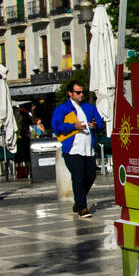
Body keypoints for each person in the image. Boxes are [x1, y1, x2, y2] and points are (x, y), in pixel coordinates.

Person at [51, 82, 105, 217]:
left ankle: (79, 200)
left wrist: (95, 126)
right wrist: (73, 126)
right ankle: (82, 208)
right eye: (78, 92)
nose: (81, 95)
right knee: (78, 177)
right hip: (72, 150)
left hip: (89, 149)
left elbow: (100, 124)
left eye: (82, 92)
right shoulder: (62, 109)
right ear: (70, 93)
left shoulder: (89, 108)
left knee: (91, 176)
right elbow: (57, 126)